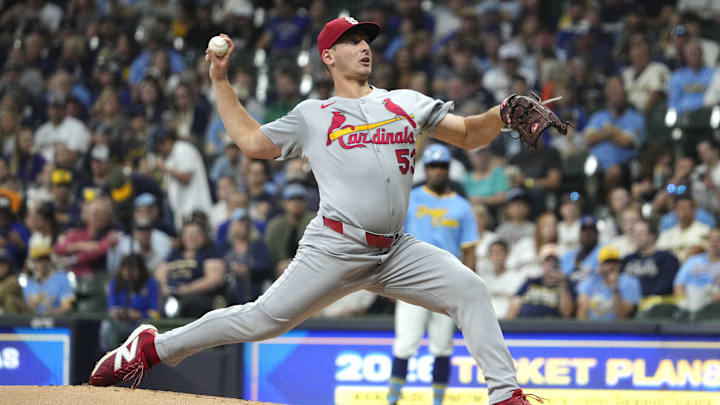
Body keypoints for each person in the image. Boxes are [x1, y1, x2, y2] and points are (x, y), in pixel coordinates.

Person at [91, 17, 545, 404]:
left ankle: (506, 395)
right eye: (351, 41)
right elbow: (251, 142)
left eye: (366, 40)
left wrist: (501, 115)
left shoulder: (404, 101)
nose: (363, 46)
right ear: (329, 56)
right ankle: (152, 349)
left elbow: (467, 133)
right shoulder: (315, 113)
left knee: (469, 289)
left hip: (396, 250)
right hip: (336, 244)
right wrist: (220, 81)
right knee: (260, 320)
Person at [387, 144, 479, 405]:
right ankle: (393, 400)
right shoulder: (410, 197)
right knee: (405, 343)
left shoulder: (462, 206)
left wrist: (466, 286)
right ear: (425, 169)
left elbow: (469, 250)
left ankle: (438, 401)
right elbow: (393, 238)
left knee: (442, 346)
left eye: (442, 166)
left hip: (448, 284)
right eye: (433, 166)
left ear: (449, 170)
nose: (437, 171)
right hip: (411, 280)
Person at [99, 254, 160, 352]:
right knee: (106, 325)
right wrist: (118, 313)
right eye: (125, 270)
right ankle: (109, 355)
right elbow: (111, 308)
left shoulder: (151, 283)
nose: (128, 273)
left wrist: (139, 314)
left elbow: (155, 313)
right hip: (120, 323)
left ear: (140, 270)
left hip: (140, 323)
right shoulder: (116, 283)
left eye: (133, 270)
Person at [505, 244, 575, 319]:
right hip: (523, 324)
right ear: (541, 264)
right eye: (548, 260)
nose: (551, 264)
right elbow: (515, 303)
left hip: (548, 327)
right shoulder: (531, 282)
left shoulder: (566, 284)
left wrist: (562, 283)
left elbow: (566, 313)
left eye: (555, 261)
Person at [576, 246, 642, 321]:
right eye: (607, 263)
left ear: (619, 264)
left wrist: (615, 289)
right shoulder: (590, 281)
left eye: (614, 262)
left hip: (618, 329)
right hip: (592, 328)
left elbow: (623, 316)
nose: (611, 266)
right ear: (600, 265)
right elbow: (582, 312)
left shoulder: (630, 282)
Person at [623, 220, 680, 297]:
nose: (636, 236)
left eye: (640, 234)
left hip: (656, 304)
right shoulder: (626, 259)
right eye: (634, 233)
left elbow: (664, 286)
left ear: (652, 236)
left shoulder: (667, 258)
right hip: (628, 304)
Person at [22, 239, 75, 316]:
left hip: (57, 322)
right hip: (33, 323)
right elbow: (29, 307)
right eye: (39, 260)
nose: (43, 263)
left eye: (46, 259)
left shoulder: (62, 278)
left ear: (50, 261)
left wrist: (53, 312)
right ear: (33, 263)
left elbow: (67, 306)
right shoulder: (30, 283)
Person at [673, 228, 720, 313]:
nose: (714, 243)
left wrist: (708, 303)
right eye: (711, 239)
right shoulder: (693, 260)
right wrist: (683, 301)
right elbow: (679, 284)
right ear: (706, 242)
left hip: (714, 304)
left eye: (718, 240)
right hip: (689, 299)